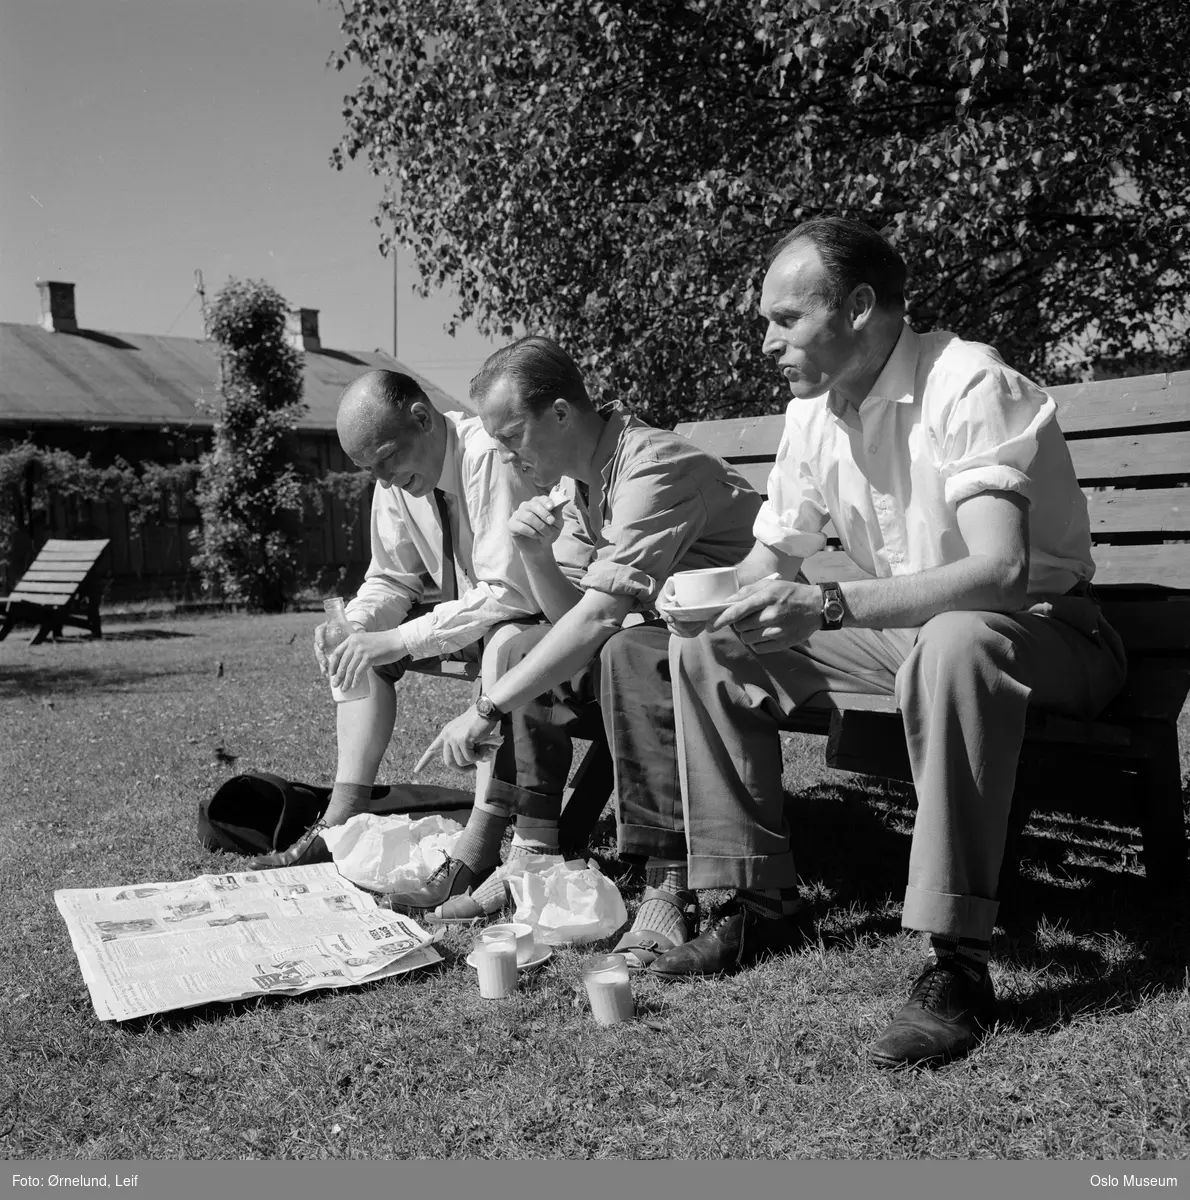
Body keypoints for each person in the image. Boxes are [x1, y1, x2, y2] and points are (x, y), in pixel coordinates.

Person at [604, 216, 1127, 1069]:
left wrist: (833, 603)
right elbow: (767, 564)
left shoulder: (969, 383)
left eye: (784, 319)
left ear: (856, 306)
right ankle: (758, 902)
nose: (767, 341)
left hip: (1043, 633)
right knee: (715, 648)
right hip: (914, 639)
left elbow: (1000, 571)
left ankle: (955, 962)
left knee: (955, 643)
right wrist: (694, 599)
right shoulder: (813, 414)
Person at [381, 336, 761, 935]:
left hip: (740, 638)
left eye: (511, 439)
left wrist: (486, 706)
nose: (506, 460)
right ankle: (533, 853)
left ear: (559, 413)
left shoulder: (650, 467)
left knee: (629, 652)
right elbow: (567, 618)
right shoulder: (579, 484)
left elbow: (602, 617)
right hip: (666, 635)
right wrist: (534, 553)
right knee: (529, 645)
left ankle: (669, 878)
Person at [247, 369, 544, 870]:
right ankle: (339, 820)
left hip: (535, 620)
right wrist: (359, 627)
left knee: (502, 640)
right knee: (359, 650)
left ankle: (480, 838)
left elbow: (508, 593)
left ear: (422, 418)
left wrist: (399, 640)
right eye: (370, 470)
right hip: (474, 616)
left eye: (386, 460)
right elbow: (391, 579)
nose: (383, 480)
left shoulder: (486, 456)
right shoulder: (397, 479)